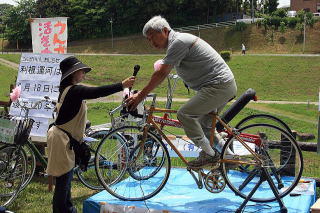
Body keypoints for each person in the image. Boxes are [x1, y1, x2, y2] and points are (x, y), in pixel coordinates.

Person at [126, 15, 237, 167]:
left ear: (164, 31)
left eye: (152, 38)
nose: (151, 43)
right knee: (205, 125)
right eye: (148, 40)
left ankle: (209, 155)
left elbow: (161, 73)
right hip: (219, 85)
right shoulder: (177, 43)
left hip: (218, 85)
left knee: (185, 114)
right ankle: (230, 157)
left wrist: (140, 95)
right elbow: (164, 69)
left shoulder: (178, 42)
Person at [46, 56, 135, 213]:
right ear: (73, 74)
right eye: (81, 71)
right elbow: (97, 92)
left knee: (64, 180)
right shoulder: (74, 91)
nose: (83, 74)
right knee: (63, 181)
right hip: (62, 140)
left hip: (63, 138)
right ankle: (62, 210)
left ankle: (67, 209)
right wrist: (121, 85)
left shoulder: (67, 90)